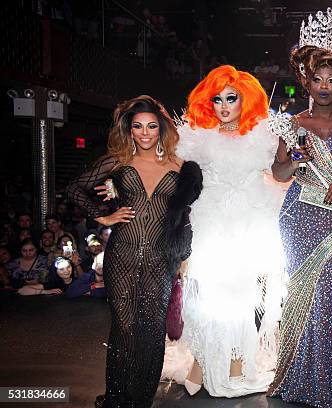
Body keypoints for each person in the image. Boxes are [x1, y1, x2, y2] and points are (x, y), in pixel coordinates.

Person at [66, 95, 202, 408]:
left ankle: (140, 399)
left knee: (153, 330)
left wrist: (184, 254)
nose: (144, 132)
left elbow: (186, 214)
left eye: (151, 126)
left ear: (162, 129)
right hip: (122, 255)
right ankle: (117, 398)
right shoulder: (118, 161)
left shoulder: (181, 166)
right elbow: (75, 188)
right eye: (138, 126)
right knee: (124, 326)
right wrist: (102, 214)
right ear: (129, 128)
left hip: (160, 258)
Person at [267, 9, 332, 407]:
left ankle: (322, 387)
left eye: (331, 80)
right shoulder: (293, 124)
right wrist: (294, 159)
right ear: (306, 81)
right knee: (299, 298)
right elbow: (279, 173)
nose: (324, 86)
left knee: (326, 301)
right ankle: (294, 381)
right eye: (316, 79)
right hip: (298, 218)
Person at [176, 65, 285, 398]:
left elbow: (278, 172)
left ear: (245, 100)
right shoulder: (197, 136)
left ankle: (237, 364)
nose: (224, 106)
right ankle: (200, 362)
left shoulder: (263, 135)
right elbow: (170, 167)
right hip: (209, 223)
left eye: (231, 98)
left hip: (248, 224)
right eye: (218, 99)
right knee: (207, 299)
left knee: (241, 299)